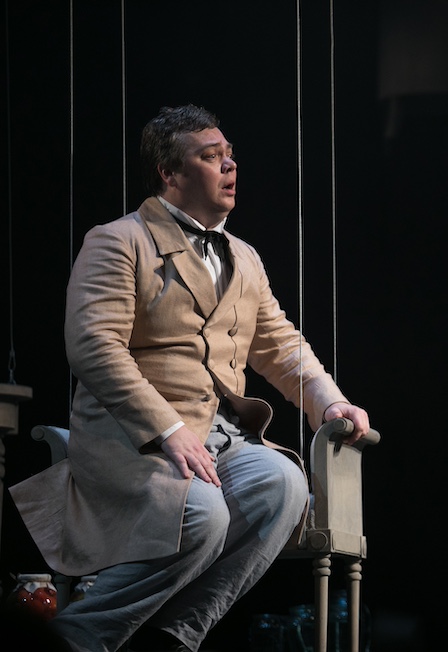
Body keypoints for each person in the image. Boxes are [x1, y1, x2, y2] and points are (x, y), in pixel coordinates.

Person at [10, 104, 370, 652]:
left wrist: (329, 400)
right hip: (134, 438)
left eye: (230, 155)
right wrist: (168, 428)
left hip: (223, 437)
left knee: (282, 485)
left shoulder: (244, 257)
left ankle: (171, 636)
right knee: (200, 516)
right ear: (170, 173)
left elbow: (279, 344)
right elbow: (93, 346)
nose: (230, 165)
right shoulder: (119, 240)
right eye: (210, 156)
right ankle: (78, 637)